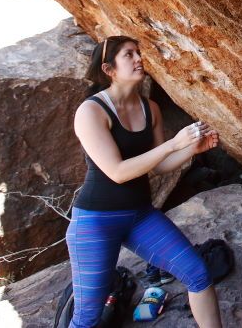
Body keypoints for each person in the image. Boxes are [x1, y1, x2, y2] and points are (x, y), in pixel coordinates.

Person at [66, 36, 223, 328]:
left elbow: (160, 166)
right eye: (129, 55)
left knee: (198, 274)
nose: (139, 59)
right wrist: (174, 145)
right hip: (96, 221)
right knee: (87, 316)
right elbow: (118, 172)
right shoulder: (91, 112)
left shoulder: (150, 108)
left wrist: (190, 150)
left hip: (139, 215)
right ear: (108, 68)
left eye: (138, 53)